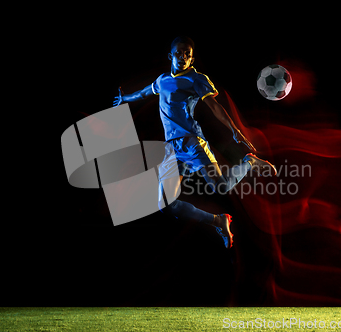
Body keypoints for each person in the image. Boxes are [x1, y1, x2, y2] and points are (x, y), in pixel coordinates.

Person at [113, 36, 276, 249]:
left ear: (191, 58)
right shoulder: (162, 80)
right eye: (179, 53)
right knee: (166, 205)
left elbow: (214, 106)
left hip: (192, 143)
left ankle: (250, 163)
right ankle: (218, 220)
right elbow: (145, 92)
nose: (183, 57)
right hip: (171, 148)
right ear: (170, 56)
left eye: (187, 54)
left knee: (221, 186)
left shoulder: (196, 79)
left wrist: (235, 131)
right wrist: (125, 99)